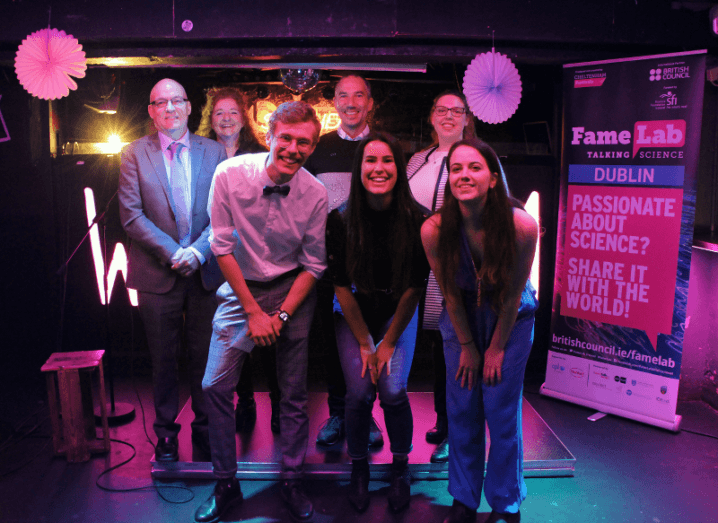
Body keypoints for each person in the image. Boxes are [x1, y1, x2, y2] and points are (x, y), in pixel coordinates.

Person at [195, 101, 328, 523]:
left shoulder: (316, 193)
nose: (292, 148)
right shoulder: (229, 175)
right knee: (215, 385)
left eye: (303, 142)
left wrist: (283, 315)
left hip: (292, 289)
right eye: (285, 138)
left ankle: (290, 480)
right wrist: (253, 312)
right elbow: (220, 247)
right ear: (269, 136)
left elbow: (315, 265)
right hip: (242, 288)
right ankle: (226, 483)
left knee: (292, 395)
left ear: (313, 146)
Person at [421, 138, 538, 523]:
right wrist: (469, 346)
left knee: (501, 409)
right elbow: (449, 295)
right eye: (456, 169)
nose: (464, 175)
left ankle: (506, 505)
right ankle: (464, 500)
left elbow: (514, 293)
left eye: (474, 167)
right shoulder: (435, 229)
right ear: (448, 179)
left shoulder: (521, 224)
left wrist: (496, 347)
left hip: (510, 318)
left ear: (492, 178)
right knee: (462, 407)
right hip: (461, 319)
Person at [118, 78, 227, 462]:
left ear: (188, 107)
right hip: (155, 273)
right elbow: (131, 216)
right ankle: (165, 435)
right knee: (162, 359)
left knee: (205, 357)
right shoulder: (133, 153)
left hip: (204, 271)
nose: (169, 108)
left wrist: (196, 252)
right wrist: (174, 253)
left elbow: (223, 213)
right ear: (150, 111)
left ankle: (204, 430)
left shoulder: (214, 151)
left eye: (176, 101)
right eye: (160, 103)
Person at [327, 133, 430, 513]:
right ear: (360, 169)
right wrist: (365, 343)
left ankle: (400, 469)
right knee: (358, 395)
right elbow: (340, 286)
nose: (378, 168)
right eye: (370, 161)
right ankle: (359, 470)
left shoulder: (419, 220)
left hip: (397, 313)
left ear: (398, 169)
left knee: (392, 391)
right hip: (352, 313)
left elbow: (415, 288)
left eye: (387, 160)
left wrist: (386, 342)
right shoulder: (339, 218)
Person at [303, 74, 383, 448]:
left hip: (374, 267)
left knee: (372, 341)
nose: (351, 102)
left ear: (370, 102)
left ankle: (366, 416)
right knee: (333, 344)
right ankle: (339, 413)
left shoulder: (385, 148)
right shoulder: (317, 150)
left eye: (358, 95)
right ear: (334, 103)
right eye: (343, 96)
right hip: (327, 264)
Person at [197, 86, 280, 435]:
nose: (226, 118)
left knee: (269, 340)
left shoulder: (261, 154)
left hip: (257, 259)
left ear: (242, 118)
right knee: (233, 339)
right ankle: (244, 402)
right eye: (219, 113)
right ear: (210, 120)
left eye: (233, 112)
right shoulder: (201, 156)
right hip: (217, 260)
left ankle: (277, 404)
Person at [408, 89, 477, 464]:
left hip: (455, 266)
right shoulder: (417, 159)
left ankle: (457, 429)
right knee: (437, 351)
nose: (448, 116)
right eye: (441, 110)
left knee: (455, 348)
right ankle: (443, 420)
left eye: (456, 111)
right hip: (419, 265)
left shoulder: (476, 158)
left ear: (467, 119)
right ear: (432, 118)